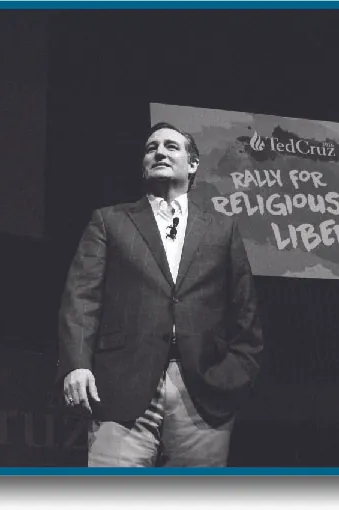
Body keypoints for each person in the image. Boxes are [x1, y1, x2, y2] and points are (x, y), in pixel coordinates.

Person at [56, 122, 263, 467]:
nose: (160, 152)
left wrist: (233, 377)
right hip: (121, 384)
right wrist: (76, 364)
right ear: (143, 164)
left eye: (171, 146)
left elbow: (246, 311)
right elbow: (81, 297)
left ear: (192, 164)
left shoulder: (222, 230)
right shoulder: (110, 221)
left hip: (203, 391)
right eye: (152, 148)